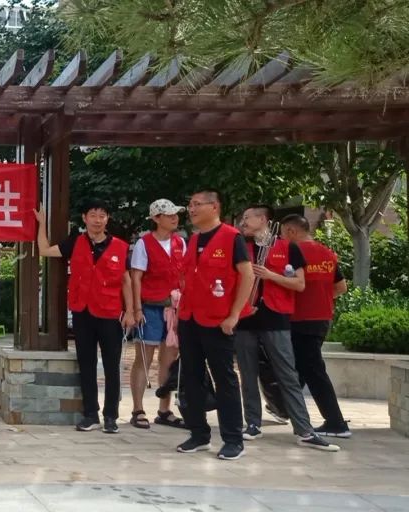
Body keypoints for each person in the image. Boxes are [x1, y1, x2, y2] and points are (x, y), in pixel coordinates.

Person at [234, 205, 338, 452]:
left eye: (247, 218)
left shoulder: (287, 247)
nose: (243, 222)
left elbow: (299, 284)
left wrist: (270, 275)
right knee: (248, 374)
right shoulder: (241, 246)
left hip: (276, 317)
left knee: (287, 374)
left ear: (262, 219)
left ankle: (304, 429)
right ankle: (253, 423)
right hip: (245, 317)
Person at [35, 200, 135, 434]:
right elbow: (45, 250)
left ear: (107, 219)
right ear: (84, 218)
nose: (97, 220)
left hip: (110, 314)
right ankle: (91, 414)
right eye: (93, 215)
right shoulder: (75, 242)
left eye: (102, 215)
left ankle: (111, 416)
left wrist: (130, 311)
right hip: (83, 313)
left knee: (112, 367)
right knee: (87, 365)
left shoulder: (120, 246)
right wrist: (41, 224)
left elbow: (126, 281)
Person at [175, 189, 252, 461]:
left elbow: (247, 276)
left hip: (218, 321)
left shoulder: (231, 237)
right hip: (189, 318)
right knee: (192, 378)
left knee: (224, 379)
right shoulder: (194, 239)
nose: (192, 209)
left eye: (197, 204)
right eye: (190, 204)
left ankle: (233, 439)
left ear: (215, 207)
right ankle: (199, 434)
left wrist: (234, 315)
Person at [280, 214, 351, 438]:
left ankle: (336, 423)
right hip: (322, 319)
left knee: (313, 370)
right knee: (304, 366)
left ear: (291, 231)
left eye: (282, 233)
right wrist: (322, 298)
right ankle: (285, 408)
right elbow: (341, 287)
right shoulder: (327, 253)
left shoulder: (292, 253)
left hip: (300, 319)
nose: (282, 238)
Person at [128, 199, 187, 430]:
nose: (174, 218)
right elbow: (136, 277)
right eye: (169, 215)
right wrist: (136, 309)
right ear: (156, 218)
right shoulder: (144, 244)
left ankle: (164, 409)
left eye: (175, 214)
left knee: (169, 359)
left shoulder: (180, 242)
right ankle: (137, 408)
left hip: (174, 307)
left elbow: (184, 275)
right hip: (150, 306)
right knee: (144, 357)